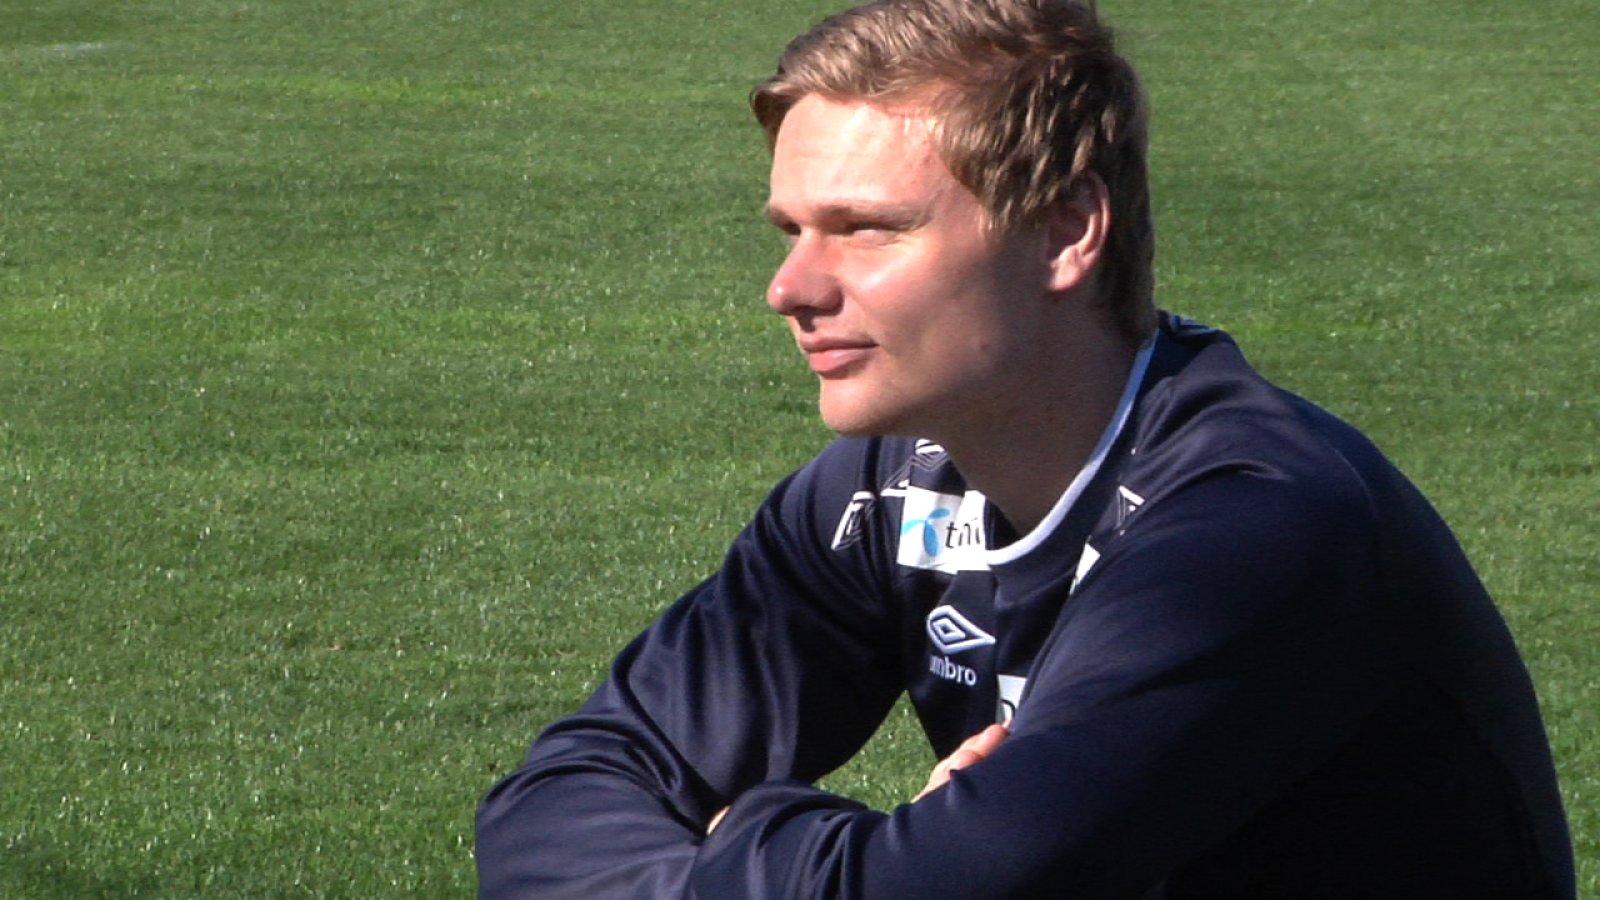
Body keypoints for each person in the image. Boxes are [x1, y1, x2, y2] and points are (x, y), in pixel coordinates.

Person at [475, 0, 1576, 896]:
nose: (790, 288)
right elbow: (557, 798)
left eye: (866, 229)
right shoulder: (884, 487)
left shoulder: (1254, 525)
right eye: (792, 231)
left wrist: (750, 825)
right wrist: (854, 855)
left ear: (1064, 229)